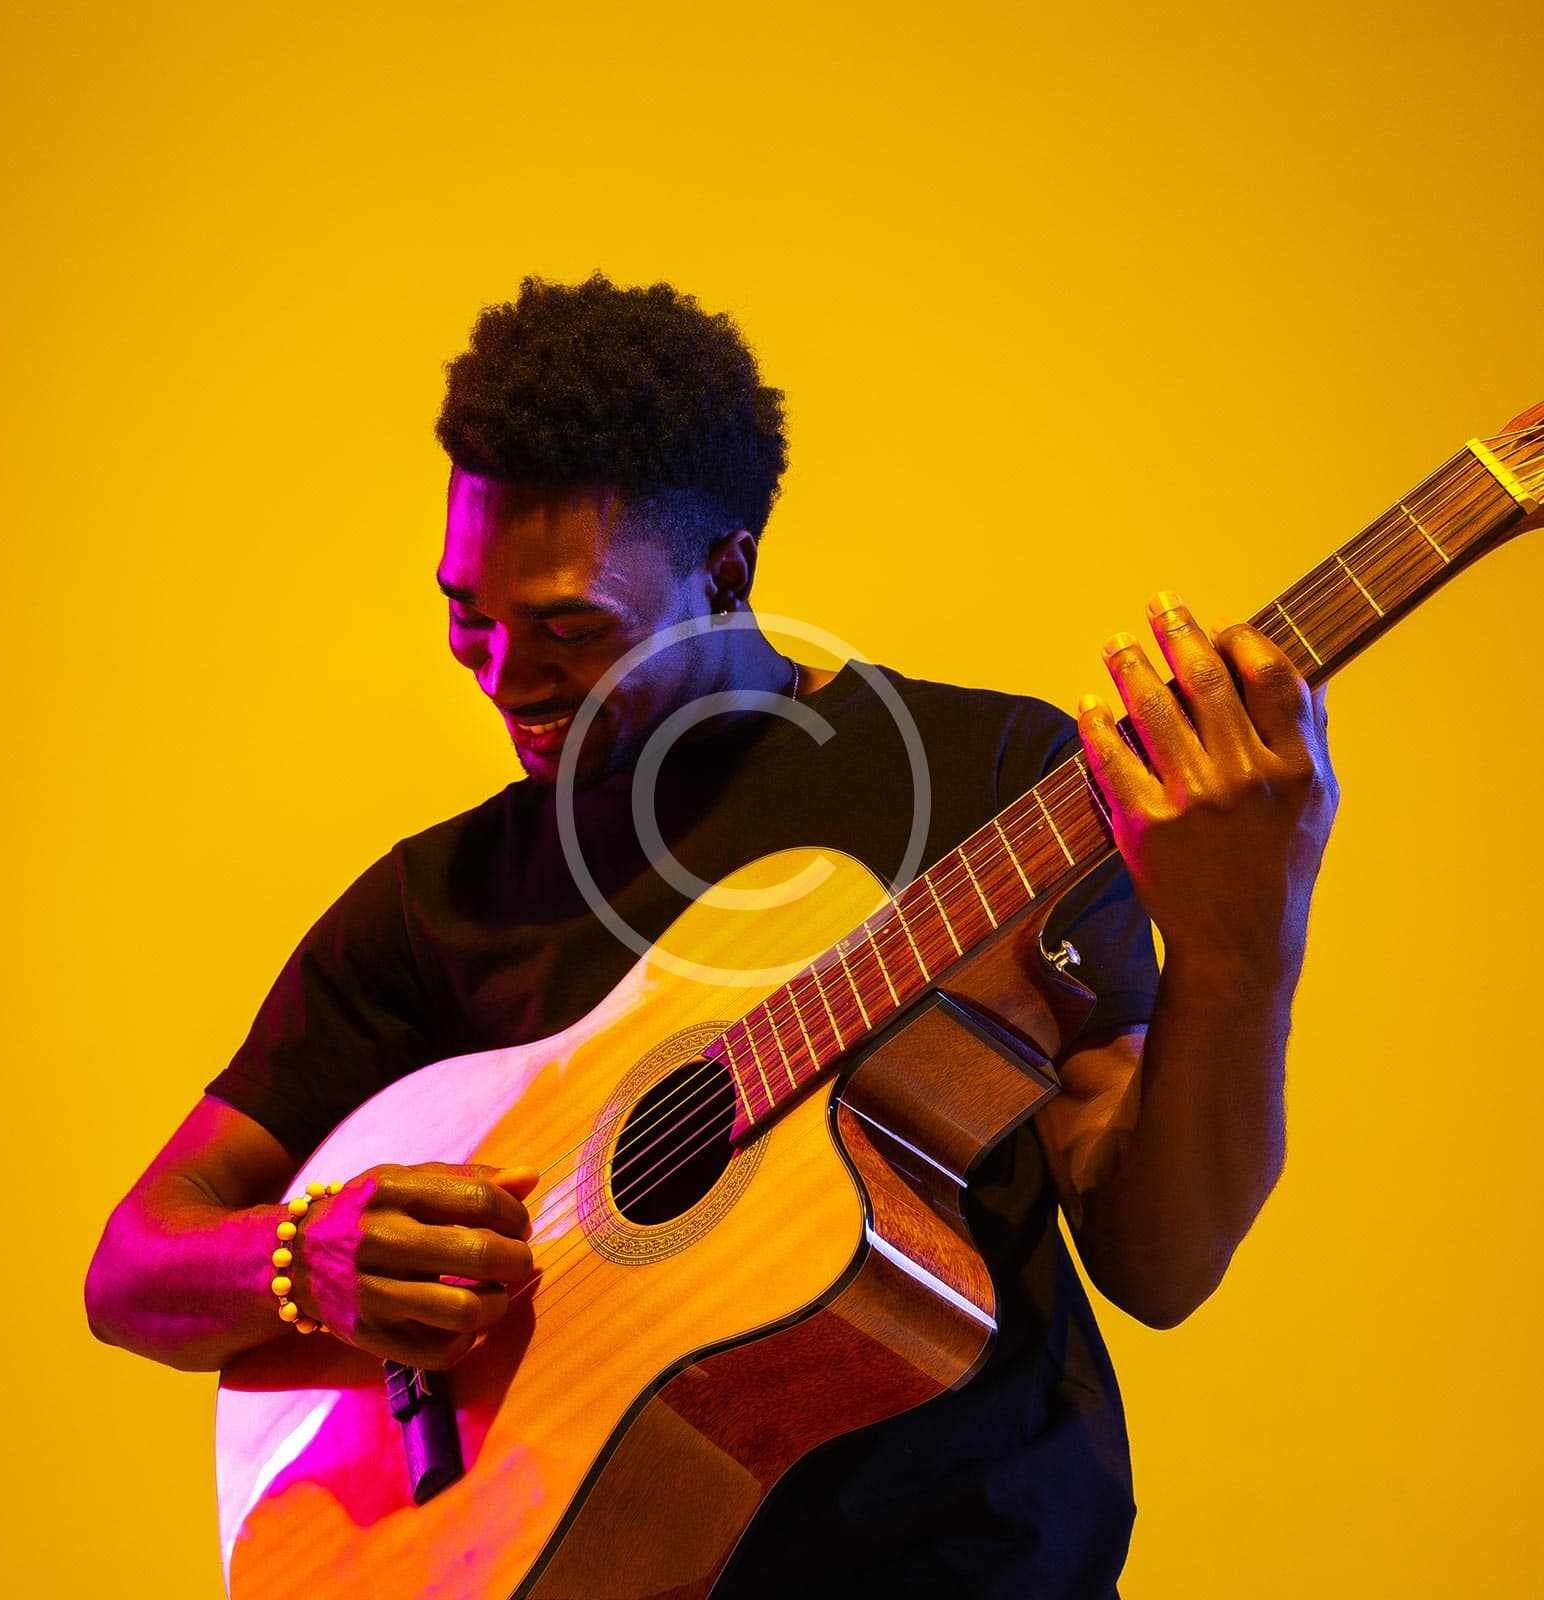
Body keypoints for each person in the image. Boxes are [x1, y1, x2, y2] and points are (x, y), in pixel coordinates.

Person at [84, 272, 1338, 1597]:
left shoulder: (990, 784)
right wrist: (307, 1261)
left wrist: (1241, 943)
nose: (505, 675)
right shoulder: (436, 903)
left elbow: (1160, 1260)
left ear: (727, 570)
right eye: (469, 614)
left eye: (570, 627)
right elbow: (134, 1265)